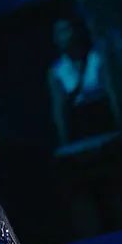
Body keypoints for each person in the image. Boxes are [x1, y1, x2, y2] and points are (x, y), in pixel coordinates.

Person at [48, 19, 113, 148]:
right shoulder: (57, 71)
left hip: (103, 117)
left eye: (68, 29)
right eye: (61, 32)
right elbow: (59, 109)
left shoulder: (96, 58)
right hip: (79, 126)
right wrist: (64, 140)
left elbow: (111, 92)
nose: (67, 35)